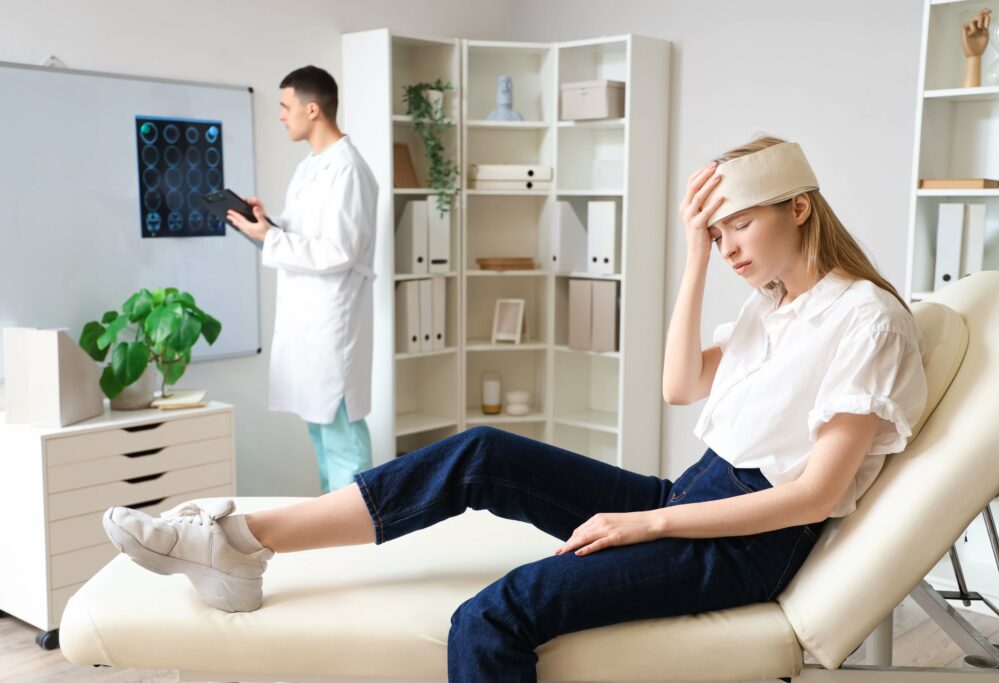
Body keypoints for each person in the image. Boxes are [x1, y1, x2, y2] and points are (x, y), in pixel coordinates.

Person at [103, 136, 927, 682]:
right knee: (481, 452)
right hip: (693, 496)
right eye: (722, 234)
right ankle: (244, 543)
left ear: (800, 209)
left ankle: (240, 543)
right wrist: (693, 262)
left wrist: (649, 526)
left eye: (739, 226)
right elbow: (678, 386)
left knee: (493, 617)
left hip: (744, 543)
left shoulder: (867, 319)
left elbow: (816, 495)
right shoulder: (774, 304)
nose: (733, 247)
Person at [226, 65, 378, 493]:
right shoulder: (310, 167)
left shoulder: (347, 170)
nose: (280, 116)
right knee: (321, 432)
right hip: (309, 321)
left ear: (312, 109)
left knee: (344, 437)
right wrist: (265, 225)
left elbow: (339, 249)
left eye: (284, 106)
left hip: (333, 320)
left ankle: (361, 534)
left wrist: (272, 237)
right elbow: (299, 233)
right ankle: (335, 528)